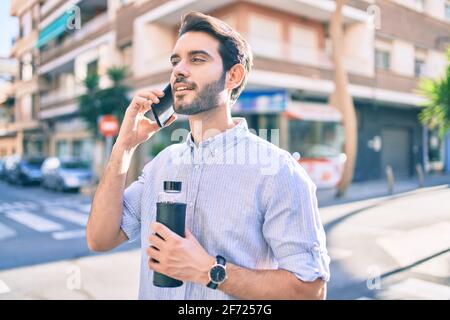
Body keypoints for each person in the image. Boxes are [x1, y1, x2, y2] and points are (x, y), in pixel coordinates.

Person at [86, 11, 330, 300]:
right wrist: (123, 147)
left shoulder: (278, 170)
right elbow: (100, 238)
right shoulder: (161, 165)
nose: (179, 70)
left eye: (197, 59)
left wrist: (209, 271)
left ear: (233, 75)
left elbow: (310, 290)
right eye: (175, 61)